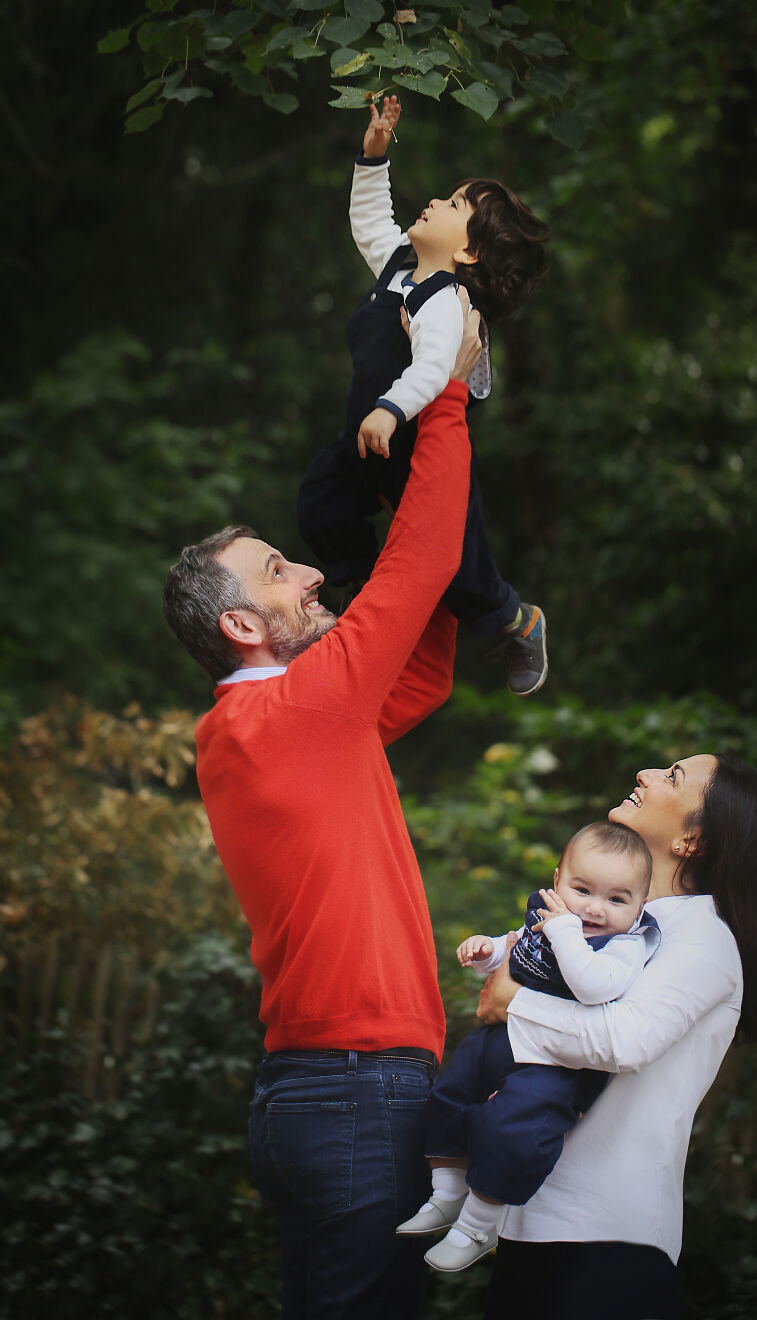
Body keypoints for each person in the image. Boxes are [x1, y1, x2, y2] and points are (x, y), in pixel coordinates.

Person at [161, 298, 482, 1320]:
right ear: (244, 623)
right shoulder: (303, 707)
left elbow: (421, 672)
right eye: (280, 572)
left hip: (316, 1093)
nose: (309, 573)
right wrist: (444, 403)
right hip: (358, 1091)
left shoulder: (254, 727)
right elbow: (421, 567)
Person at [474, 754, 757, 1320]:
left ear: (692, 841)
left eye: (673, 777)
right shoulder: (622, 920)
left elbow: (626, 1041)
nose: (646, 774)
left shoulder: (706, 934)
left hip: (607, 1238)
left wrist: (513, 1005)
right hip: (532, 1220)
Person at [296, 94, 552, 696]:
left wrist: (389, 408)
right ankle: (362, 586)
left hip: (418, 460)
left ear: (466, 252)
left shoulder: (443, 301)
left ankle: (517, 620)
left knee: (462, 576)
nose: (436, 199)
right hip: (365, 445)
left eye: (455, 203)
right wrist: (373, 154)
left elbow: (437, 366)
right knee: (318, 503)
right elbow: (368, 223)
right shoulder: (399, 267)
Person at [396, 821, 659, 1273]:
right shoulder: (548, 918)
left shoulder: (624, 946)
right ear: (558, 880)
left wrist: (565, 932)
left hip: (554, 1065)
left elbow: (594, 988)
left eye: (617, 899)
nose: (596, 909)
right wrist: (490, 952)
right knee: (449, 1093)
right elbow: (518, 949)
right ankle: (445, 1192)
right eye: (582, 890)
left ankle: (478, 1225)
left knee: (515, 1128)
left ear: (640, 906)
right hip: (502, 1037)